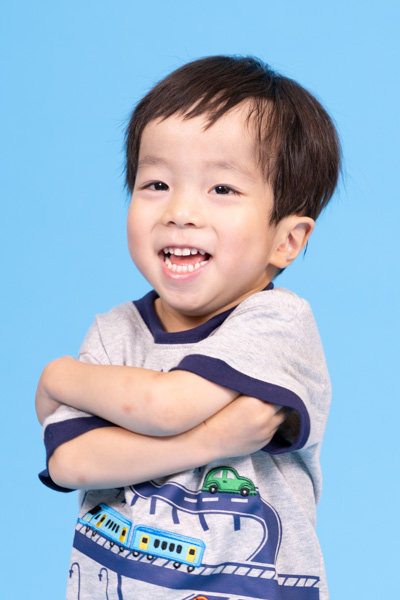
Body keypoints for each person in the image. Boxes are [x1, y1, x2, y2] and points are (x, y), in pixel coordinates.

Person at [36, 55, 341, 600]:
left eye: (221, 189)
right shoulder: (115, 331)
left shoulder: (278, 325)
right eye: (156, 183)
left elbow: (166, 406)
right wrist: (213, 440)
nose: (180, 211)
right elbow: (71, 462)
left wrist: (59, 377)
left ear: (287, 240)